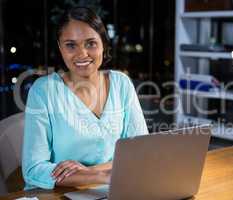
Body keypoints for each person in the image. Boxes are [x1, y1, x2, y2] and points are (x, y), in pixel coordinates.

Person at [22, 7, 148, 190]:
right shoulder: (43, 91)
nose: (82, 54)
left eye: (91, 43)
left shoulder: (121, 84)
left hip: (112, 188)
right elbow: (34, 169)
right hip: (59, 194)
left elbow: (141, 152)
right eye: (71, 45)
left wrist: (93, 173)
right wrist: (101, 175)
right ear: (60, 47)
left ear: (103, 44)